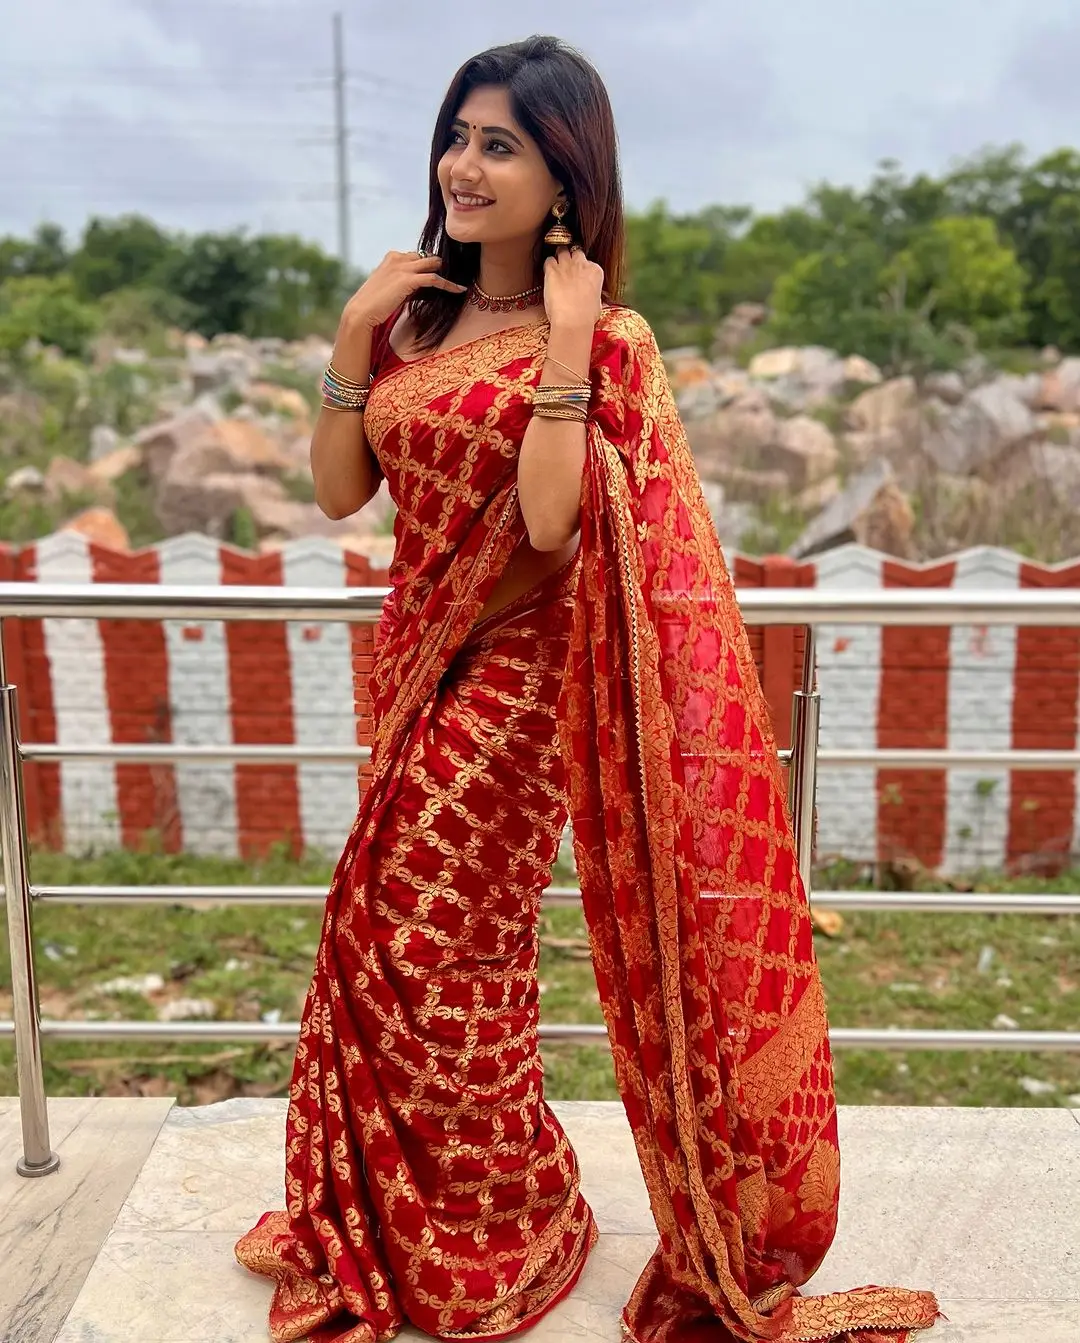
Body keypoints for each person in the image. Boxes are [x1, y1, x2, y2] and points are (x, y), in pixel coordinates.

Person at [235, 34, 939, 1343]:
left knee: (447, 959)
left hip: (513, 696)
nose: (463, 164)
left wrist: (565, 340)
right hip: (410, 680)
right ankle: (461, 1206)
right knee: (377, 956)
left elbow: (551, 525)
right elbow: (342, 490)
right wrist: (350, 328)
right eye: (456, 134)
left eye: (499, 143)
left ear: (564, 175)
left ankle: (492, 1226)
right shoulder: (417, 320)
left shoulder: (605, 336)